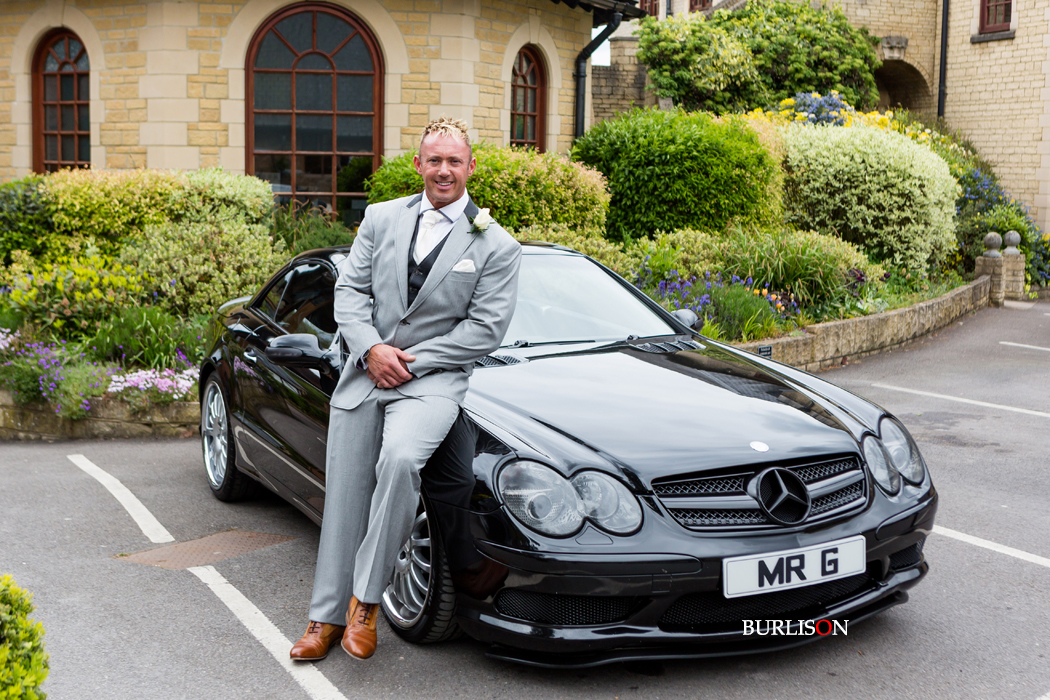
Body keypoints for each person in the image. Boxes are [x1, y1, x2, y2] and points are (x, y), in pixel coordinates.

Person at [289, 117, 521, 662]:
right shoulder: (380, 218)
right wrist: (372, 349)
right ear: (418, 165)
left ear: (470, 167)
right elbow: (349, 294)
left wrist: (409, 362)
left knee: (399, 462)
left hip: (432, 383)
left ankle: (365, 603)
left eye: (454, 161)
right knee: (345, 496)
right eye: (434, 160)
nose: (444, 169)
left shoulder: (496, 245)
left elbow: (484, 330)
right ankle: (322, 620)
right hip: (366, 373)